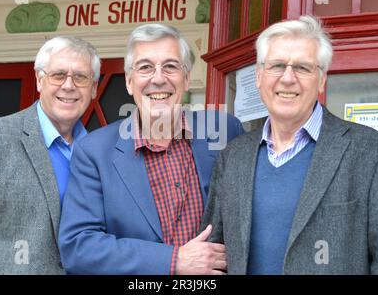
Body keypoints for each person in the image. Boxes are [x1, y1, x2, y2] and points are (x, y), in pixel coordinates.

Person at [201, 15, 378, 274]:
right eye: (277, 65)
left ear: (321, 79)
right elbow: (215, 256)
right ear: (259, 76)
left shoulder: (377, 154)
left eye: (303, 68)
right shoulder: (233, 156)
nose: (287, 78)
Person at [58, 23, 244, 275]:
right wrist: (173, 261)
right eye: (145, 67)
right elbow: (79, 247)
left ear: (186, 78)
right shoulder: (93, 151)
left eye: (170, 66)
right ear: (129, 81)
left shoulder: (225, 130)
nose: (158, 78)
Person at [0, 36, 100, 274]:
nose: (69, 86)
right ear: (40, 80)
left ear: (93, 88)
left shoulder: (99, 153)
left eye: (80, 77)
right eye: (58, 75)